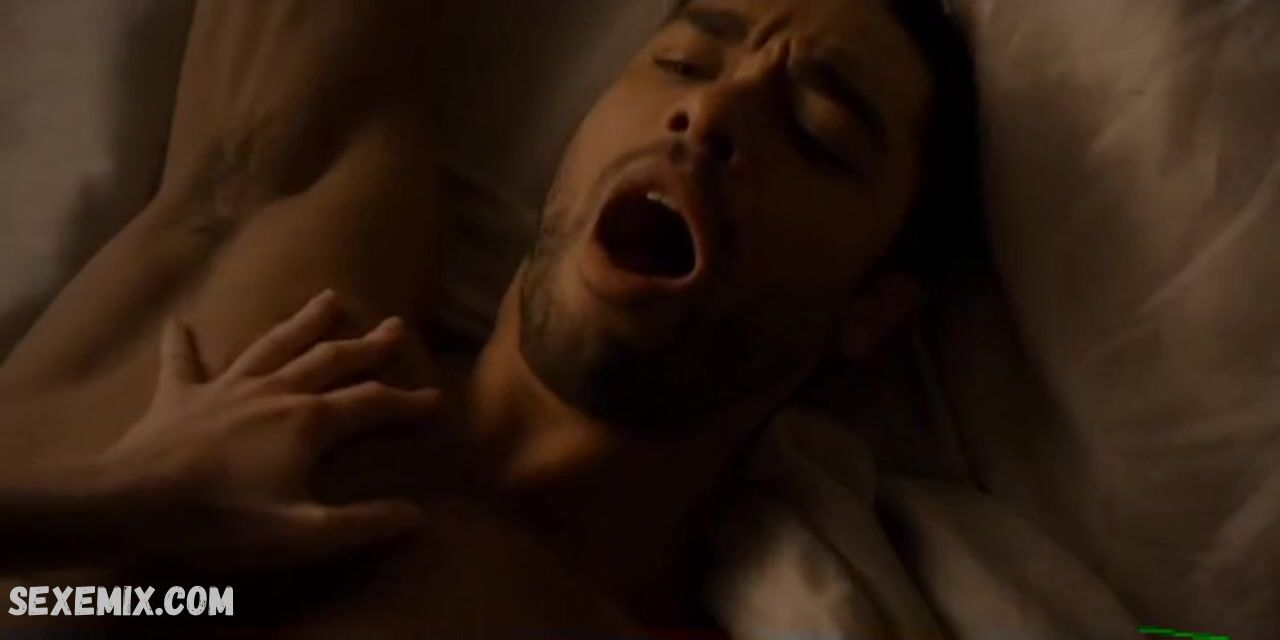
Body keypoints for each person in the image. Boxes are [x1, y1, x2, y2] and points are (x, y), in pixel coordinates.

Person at [0, 0, 978, 635]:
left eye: (815, 133)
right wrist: (123, 509)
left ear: (874, 308)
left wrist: (130, 539)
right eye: (684, 62)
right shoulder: (283, 262)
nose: (712, 112)